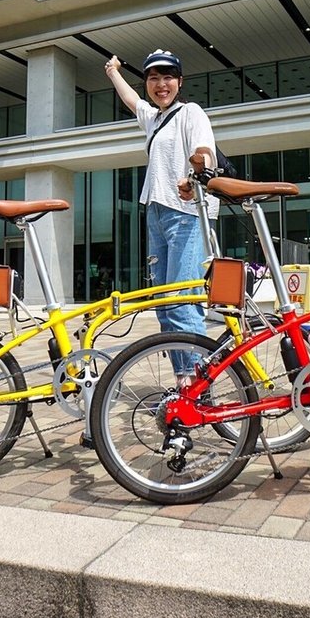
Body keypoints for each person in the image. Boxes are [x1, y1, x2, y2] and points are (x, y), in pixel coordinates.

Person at [105, 49, 219, 381]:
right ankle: (184, 379)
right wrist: (113, 71)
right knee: (164, 305)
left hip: (187, 212)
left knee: (182, 300)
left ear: (179, 82)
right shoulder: (153, 118)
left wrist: (196, 176)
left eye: (168, 77)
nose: (161, 84)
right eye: (153, 78)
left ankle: (198, 384)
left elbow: (204, 150)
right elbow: (131, 100)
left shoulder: (190, 112)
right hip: (156, 212)